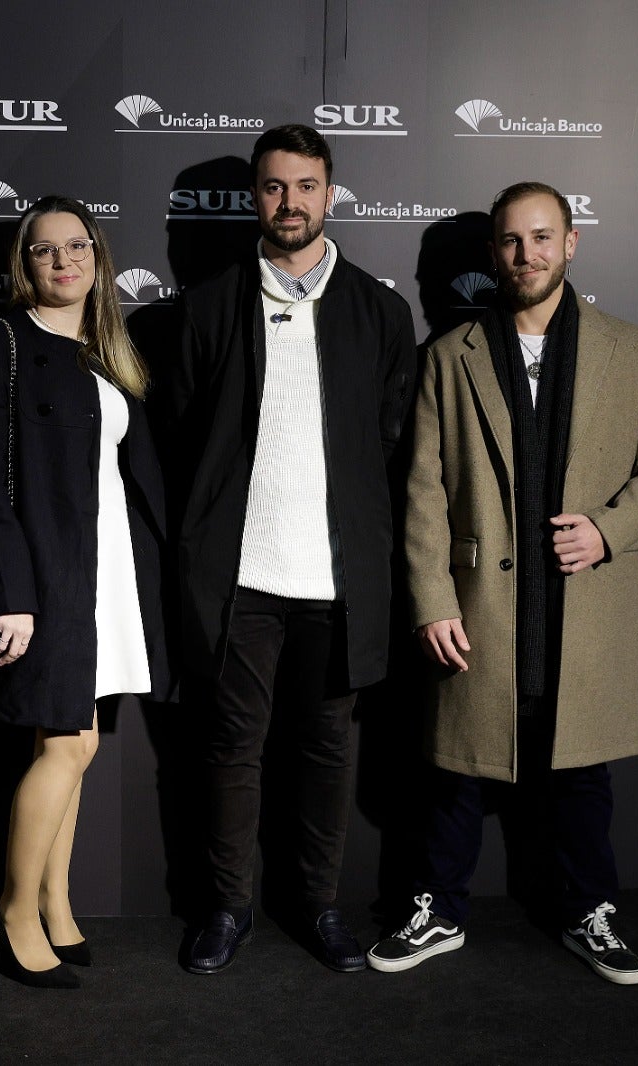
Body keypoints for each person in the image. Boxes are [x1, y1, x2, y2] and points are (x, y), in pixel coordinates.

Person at [367, 182, 638, 984]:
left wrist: (607, 529)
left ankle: (591, 913)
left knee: (582, 775)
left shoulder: (630, 348)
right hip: (480, 608)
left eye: (543, 238)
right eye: (512, 242)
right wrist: (432, 599)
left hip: (584, 609)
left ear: (571, 242)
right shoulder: (450, 355)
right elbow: (423, 490)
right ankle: (438, 911)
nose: (528, 255)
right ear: (494, 254)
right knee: (455, 770)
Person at [167, 124, 416, 974]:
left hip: (338, 585)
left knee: (325, 753)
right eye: (274, 187)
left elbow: (391, 446)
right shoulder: (205, 306)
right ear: (254, 197)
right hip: (240, 579)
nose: (290, 203)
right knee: (231, 751)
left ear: (330, 194)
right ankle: (227, 909)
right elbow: (180, 439)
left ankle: (317, 905)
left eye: (305, 186)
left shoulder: (381, 312)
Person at [0, 196, 170, 988]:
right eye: (45, 250)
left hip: (105, 573)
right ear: (26, 264)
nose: (63, 261)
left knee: (68, 746)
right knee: (68, 743)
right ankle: (11, 914)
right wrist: (13, 594)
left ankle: (56, 902)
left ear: (97, 256)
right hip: (43, 578)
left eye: (77, 245)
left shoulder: (112, 351)